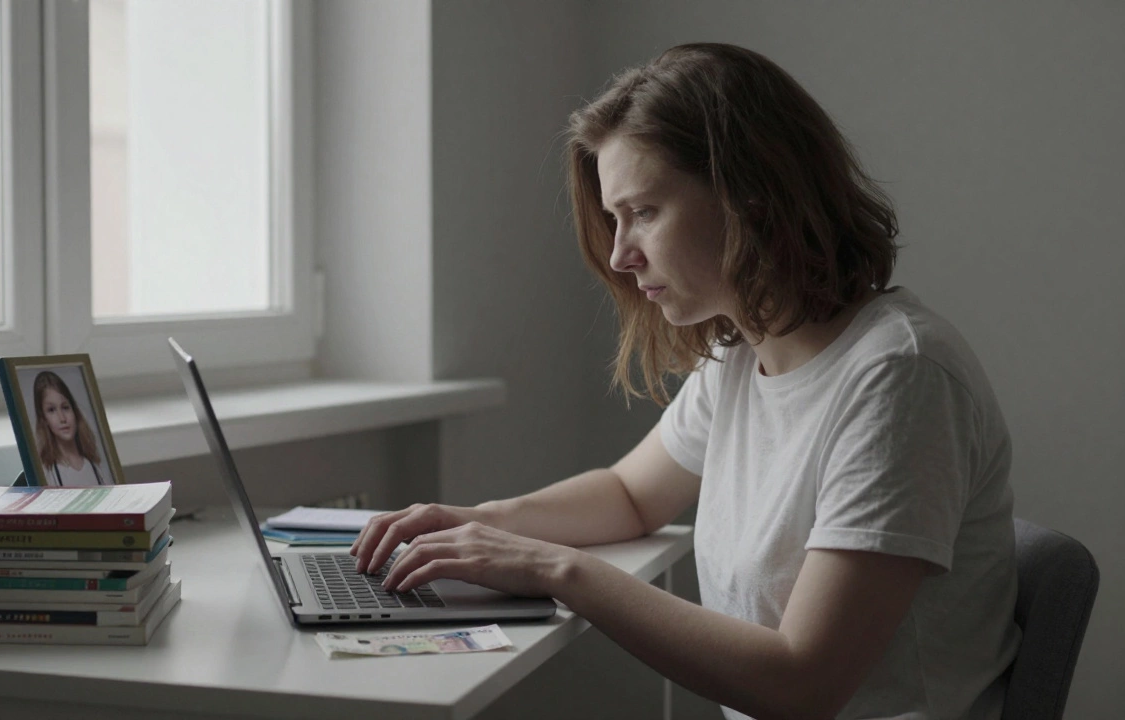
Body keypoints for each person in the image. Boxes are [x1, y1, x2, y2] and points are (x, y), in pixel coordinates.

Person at [351, 43, 1021, 719]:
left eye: (643, 211)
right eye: (614, 219)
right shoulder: (743, 353)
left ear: (753, 197)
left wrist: (551, 568)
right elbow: (629, 495)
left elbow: (804, 684)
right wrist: (475, 525)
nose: (619, 254)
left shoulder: (900, 377)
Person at [32, 370, 112, 486]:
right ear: (43, 419)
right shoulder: (46, 473)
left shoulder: (96, 466)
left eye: (65, 407)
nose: (62, 418)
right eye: (51, 410)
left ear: (74, 411)